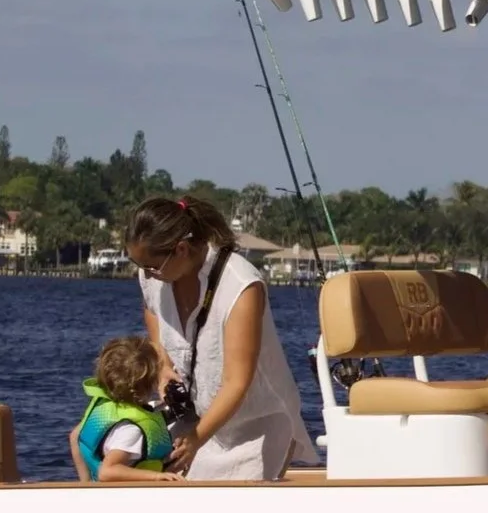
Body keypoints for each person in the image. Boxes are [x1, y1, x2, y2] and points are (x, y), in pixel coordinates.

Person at [127, 195, 315, 481]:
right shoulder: (154, 274)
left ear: (181, 249)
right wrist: (163, 363)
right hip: (193, 422)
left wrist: (195, 440)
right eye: (139, 266)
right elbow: (151, 308)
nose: (147, 276)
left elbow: (237, 382)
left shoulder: (241, 286)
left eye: (151, 267)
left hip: (255, 430)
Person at [68, 335, 180, 482]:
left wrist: (86, 483)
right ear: (151, 383)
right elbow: (107, 471)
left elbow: (75, 437)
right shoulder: (132, 430)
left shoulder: (104, 407)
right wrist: (157, 476)